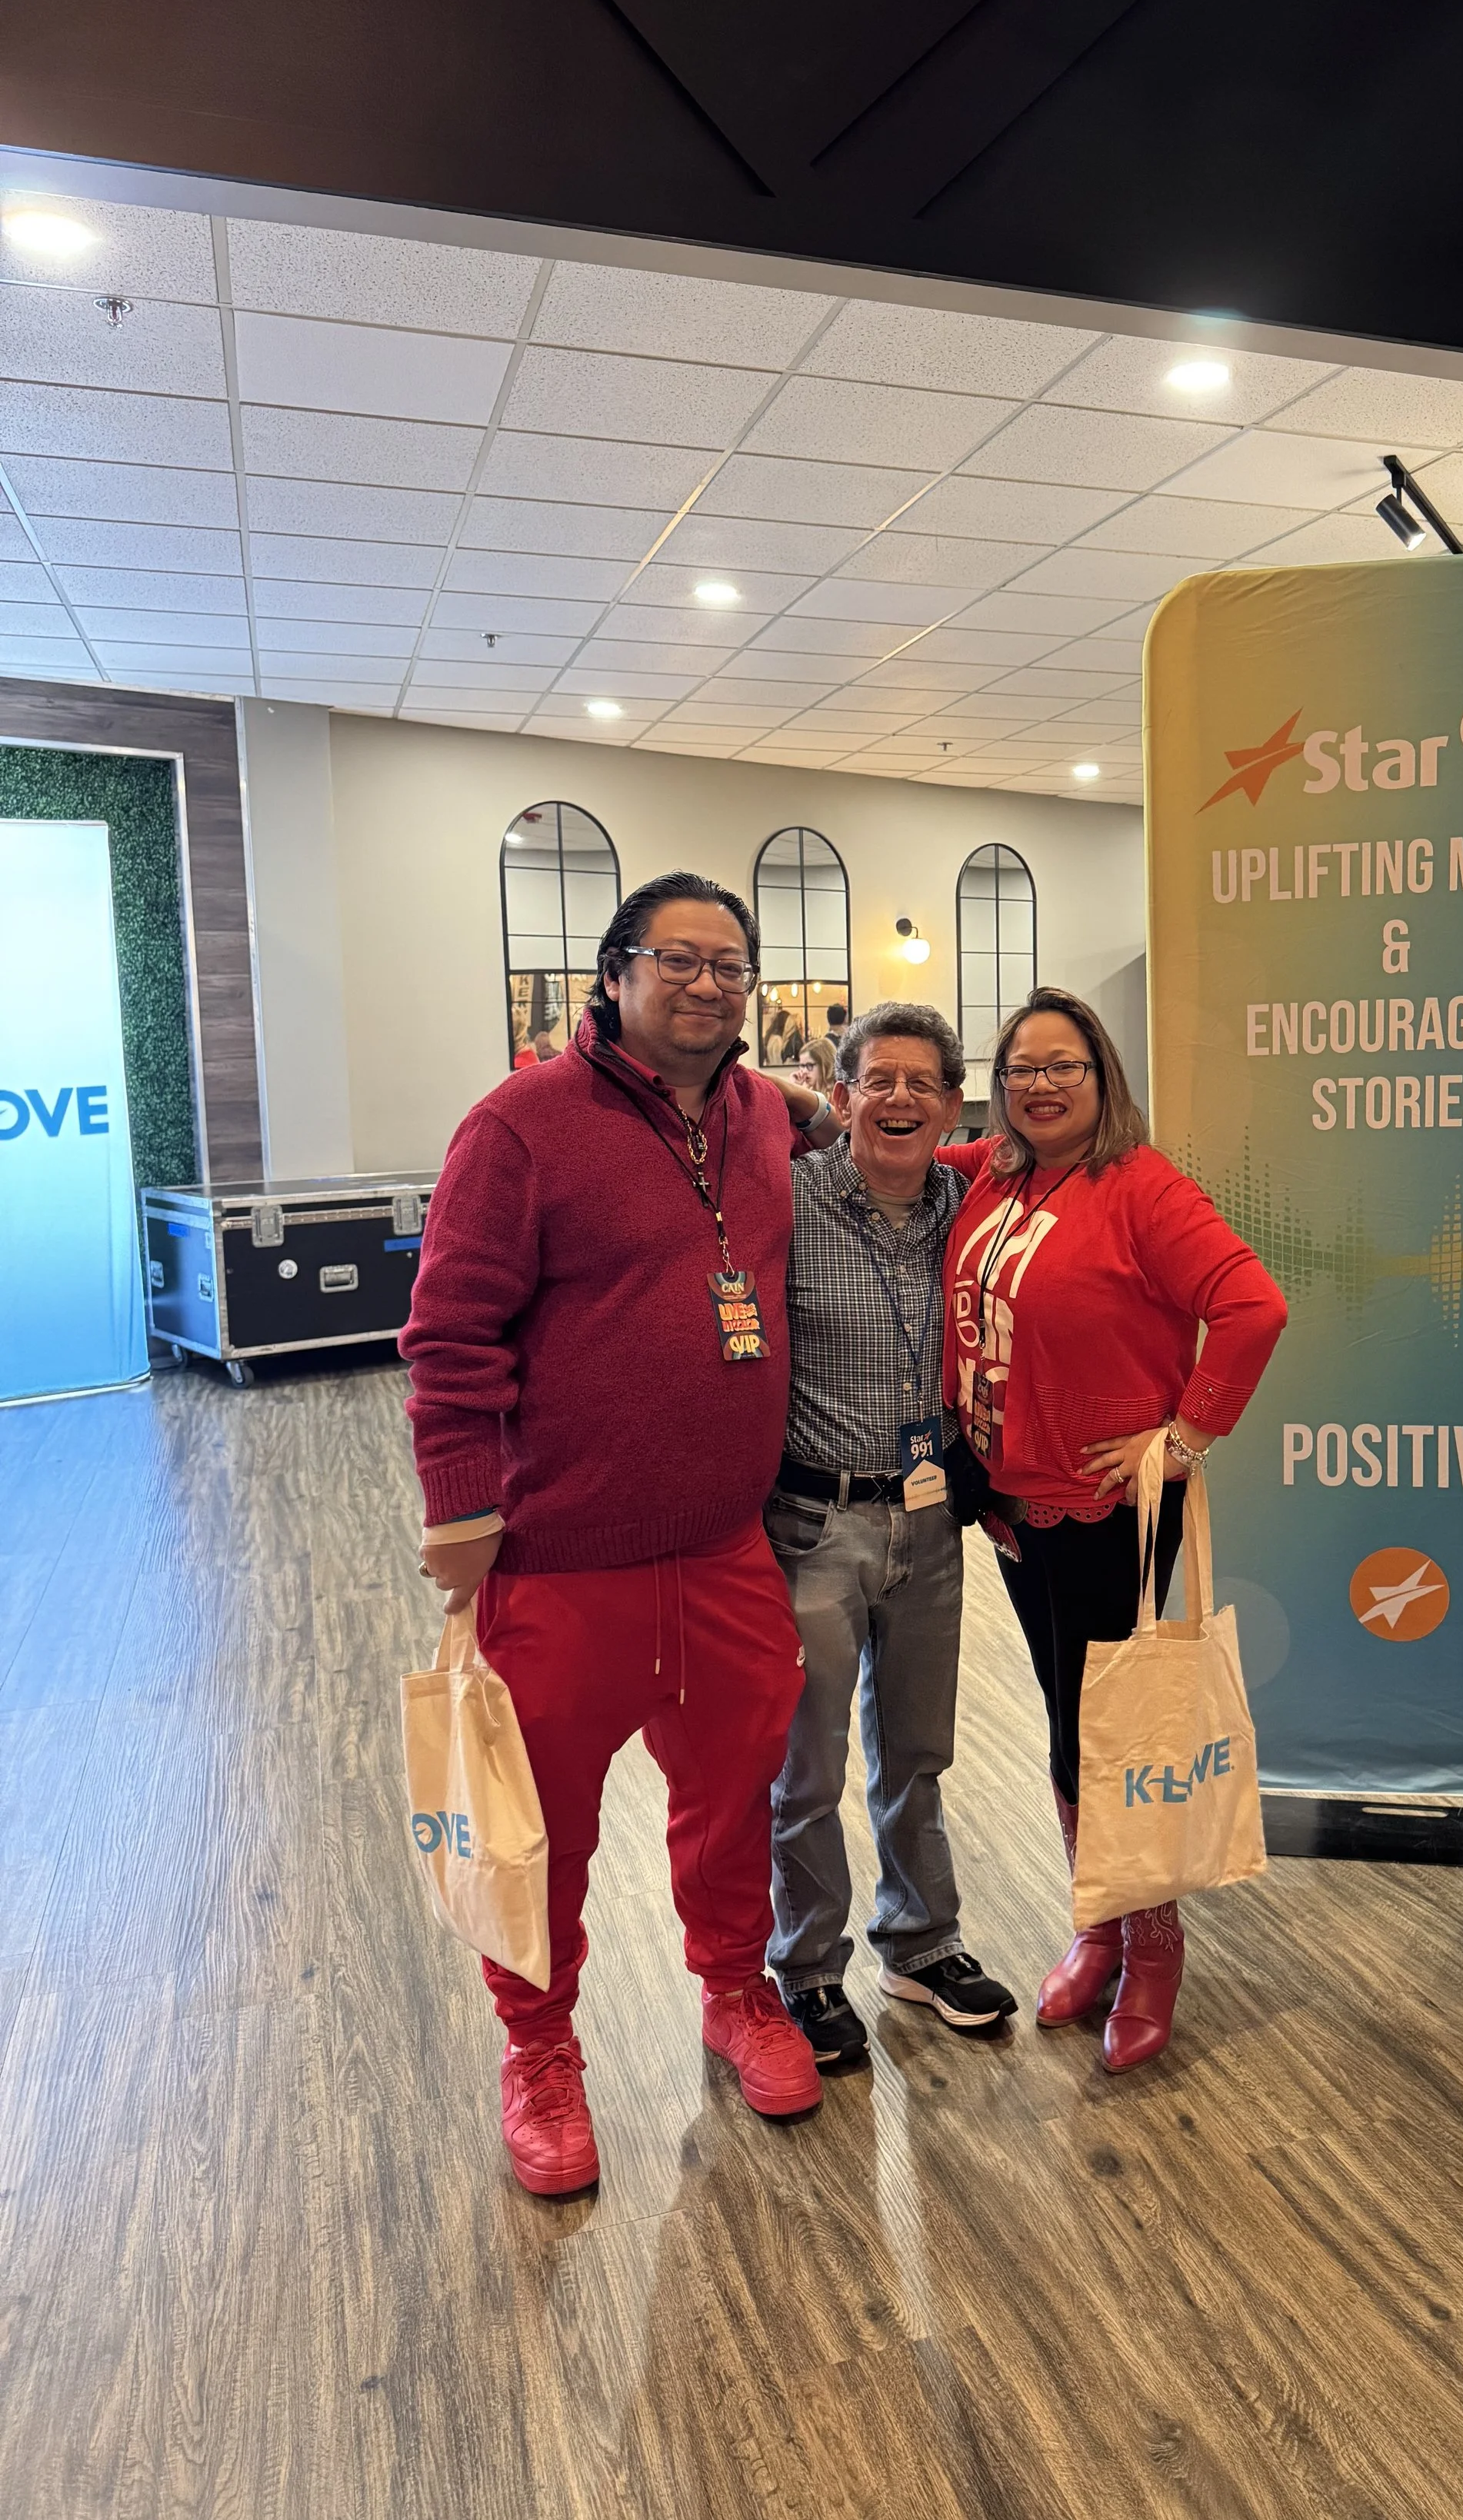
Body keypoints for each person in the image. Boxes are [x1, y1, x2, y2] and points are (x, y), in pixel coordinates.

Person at [404, 869, 824, 2199]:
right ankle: (538, 2053)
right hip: (559, 1562)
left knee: (731, 1800)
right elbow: (449, 1337)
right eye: (678, 960)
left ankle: (734, 1992)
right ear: (615, 972)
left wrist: (820, 1103)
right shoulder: (520, 1127)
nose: (708, 984)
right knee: (547, 1831)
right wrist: (463, 1514)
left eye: (730, 966)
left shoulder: (766, 1118)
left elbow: (811, 1126)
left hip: (723, 1550)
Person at [942, 988, 1285, 2072]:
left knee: (1116, 1737)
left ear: (1103, 1079)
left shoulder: (1140, 1187)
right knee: (1061, 1724)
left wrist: (1185, 1437)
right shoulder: (994, 1176)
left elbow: (1252, 1306)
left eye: (1064, 1066)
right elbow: (879, 1137)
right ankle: (1096, 1920)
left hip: (1111, 1514)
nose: (1041, 1084)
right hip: (1014, 1509)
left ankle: (1152, 1949)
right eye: (1022, 1069)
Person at [768, 1001, 1017, 2071]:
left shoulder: (970, 1208)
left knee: (917, 1752)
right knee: (807, 1767)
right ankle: (809, 1971)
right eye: (880, 1080)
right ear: (843, 1095)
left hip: (928, 1519)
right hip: (811, 1522)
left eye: (924, 1082)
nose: (901, 1099)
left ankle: (921, 1943)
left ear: (951, 1104)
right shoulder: (786, 1203)